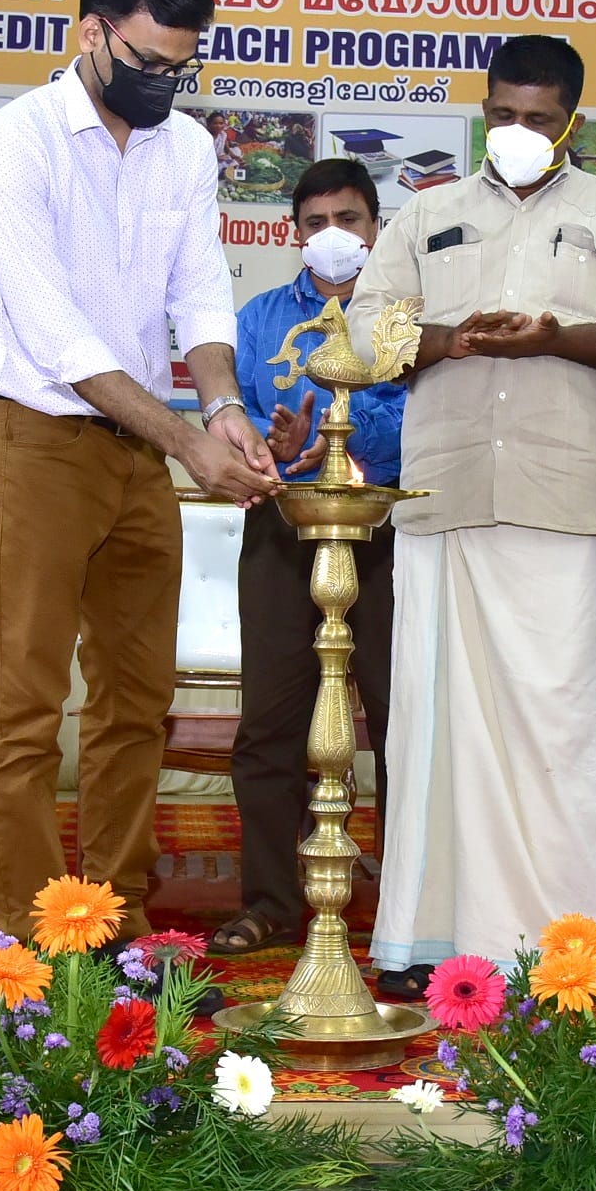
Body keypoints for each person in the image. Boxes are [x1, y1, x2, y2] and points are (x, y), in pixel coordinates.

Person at [355, 35, 596, 997]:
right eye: (503, 114)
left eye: (539, 119)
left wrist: (560, 338)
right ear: (483, 111)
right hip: (445, 499)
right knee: (435, 727)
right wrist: (447, 339)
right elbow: (366, 330)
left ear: (572, 122)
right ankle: (432, 943)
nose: (518, 131)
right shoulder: (428, 214)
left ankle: (562, 953)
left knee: (557, 732)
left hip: (560, 501)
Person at [0, 0, 280, 941]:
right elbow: (54, 334)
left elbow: (199, 289)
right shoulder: (14, 141)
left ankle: (115, 916)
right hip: (36, 436)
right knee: (24, 700)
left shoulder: (183, 147)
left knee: (137, 699)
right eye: (146, 61)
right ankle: (30, 937)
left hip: (139, 448)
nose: (163, 82)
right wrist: (187, 441)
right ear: (89, 33)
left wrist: (222, 406)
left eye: (181, 67)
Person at [214, 158, 405, 958]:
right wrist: (274, 443)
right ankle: (270, 901)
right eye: (316, 222)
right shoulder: (260, 318)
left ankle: (405, 908)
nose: (334, 236)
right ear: (294, 233)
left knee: (400, 723)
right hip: (284, 529)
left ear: (376, 228)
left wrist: (335, 432)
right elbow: (237, 417)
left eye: (349, 220)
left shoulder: (402, 318)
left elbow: (415, 421)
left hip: (385, 531)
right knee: (270, 724)